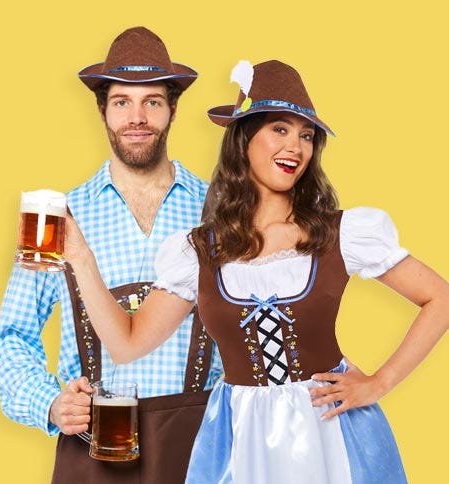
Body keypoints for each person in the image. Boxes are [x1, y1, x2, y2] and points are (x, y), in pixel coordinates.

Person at [63, 59, 449, 484]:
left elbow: (440, 297)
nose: (296, 147)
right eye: (279, 130)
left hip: (330, 432)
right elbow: (127, 344)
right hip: (240, 436)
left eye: (306, 135)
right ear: (243, 139)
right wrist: (81, 258)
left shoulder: (340, 233)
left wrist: (379, 383)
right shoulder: (199, 252)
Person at [0, 26, 223, 483]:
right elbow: (9, 337)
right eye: (121, 102)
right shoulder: (59, 218)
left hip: (202, 452)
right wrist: (50, 402)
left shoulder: (218, 210)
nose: (137, 117)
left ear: (173, 109)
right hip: (94, 453)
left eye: (152, 101)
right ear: (103, 112)